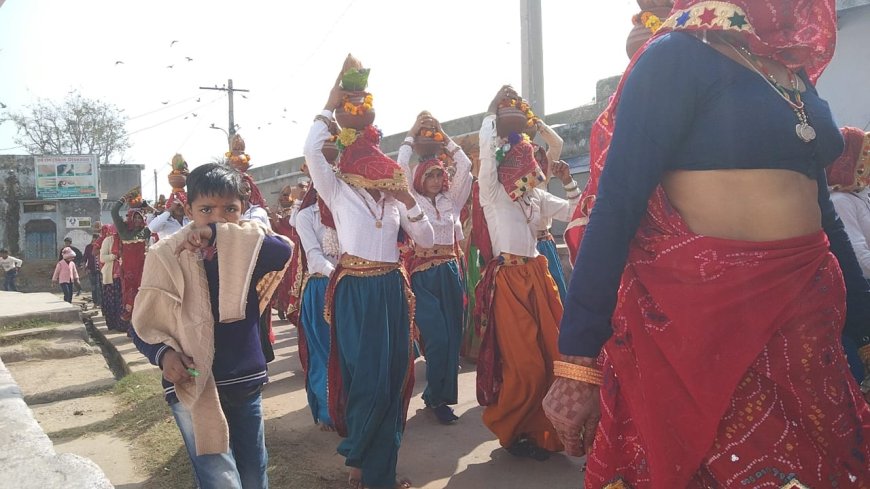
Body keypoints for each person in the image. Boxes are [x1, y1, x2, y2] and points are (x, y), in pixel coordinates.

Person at [545, 2, 870, 487]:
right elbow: (616, 208)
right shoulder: (676, 56)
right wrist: (578, 361)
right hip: (713, 333)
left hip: (810, 332)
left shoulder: (790, 73)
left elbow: (822, 210)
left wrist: (864, 325)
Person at [303, 59, 435, 489]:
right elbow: (311, 151)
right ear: (353, 171)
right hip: (356, 290)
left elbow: (427, 237)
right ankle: (364, 464)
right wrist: (329, 103)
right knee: (365, 381)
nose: (377, 179)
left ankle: (376, 470)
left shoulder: (394, 199)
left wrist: (407, 199)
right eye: (371, 173)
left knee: (395, 377)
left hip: (392, 288)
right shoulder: (337, 189)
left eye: (382, 173)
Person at [131, 162, 292, 489]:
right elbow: (141, 323)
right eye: (206, 209)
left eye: (229, 209)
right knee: (220, 478)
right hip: (191, 383)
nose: (218, 216)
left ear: (243, 210)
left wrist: (221, 234)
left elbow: (283, 251)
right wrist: (163, 355)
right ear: (188, 209)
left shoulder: (250, 247)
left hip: (243, 379)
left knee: (252, 473)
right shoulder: (165, 255)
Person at [474, 86, 580, 461]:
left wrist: (568, 180)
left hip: (538, 273)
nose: (534, 169)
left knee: (553, 355)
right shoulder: (493, 193)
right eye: (526, 163)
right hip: (509, 281)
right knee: (526, 365)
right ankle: (511, 428)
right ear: (510, 167)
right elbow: (486, 155)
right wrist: (493, 114)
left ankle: (542, 433)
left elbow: (575, 209)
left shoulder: (537, 197)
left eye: (533, 165)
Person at [397, 112, 472, 424]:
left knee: (452, 338)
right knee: (438, 338)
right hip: (423, 275)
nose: (437, 181)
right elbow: (399, 168)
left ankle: (438, 398)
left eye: (440, 176)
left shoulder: (451, 201)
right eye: (430, 176)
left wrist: (444, 134)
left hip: (451, 272)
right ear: (419, 179)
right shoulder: (411, 198)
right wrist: (411, 137)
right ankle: (434, 395)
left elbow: (466, 165)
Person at [290, 183, 339, 431]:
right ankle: (327, 411)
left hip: (351, 285)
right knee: (323, 353)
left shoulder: (348, 209)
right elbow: (315, 257)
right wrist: (342, 275)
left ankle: (348, 409)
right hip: (322, 287)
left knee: (347, 352)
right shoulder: (306, 216)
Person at [531, 122, 568, 302]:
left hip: (545, 242)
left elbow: (557, 144)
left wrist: (539, 125)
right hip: (524, 248)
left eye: (537, 157)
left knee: (556, 294)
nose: (534, 162)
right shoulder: (508, 178)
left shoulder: (542, 174)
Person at [111, 197, 151, 325]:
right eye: (135, 217)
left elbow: (158, 216)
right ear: (131, 218)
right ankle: (132, 325)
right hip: (128, 269)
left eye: (140, 217)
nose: (138, 220)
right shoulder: (123, 229)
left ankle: (140, 324)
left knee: (142, 293)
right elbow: (113, 211)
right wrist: (122, 199)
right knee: (129, 294)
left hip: (142, 267)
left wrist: (147, 206)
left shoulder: (145, 231)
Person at [97, 224, 124, 331]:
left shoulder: (127, 240)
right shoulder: (108, 241)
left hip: (124, 276)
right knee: (112, 302)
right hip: (111, 277)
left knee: (123, 302)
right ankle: (113, 325)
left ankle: (123, 326)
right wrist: (114, 256)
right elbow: (102, 258)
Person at [82, 233, 102, 306]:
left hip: (100, 270)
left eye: (98, 238)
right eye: (95, 238)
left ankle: (100, 303)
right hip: (91, 270)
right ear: (93, 238)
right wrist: (84, 268)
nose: (96, 240)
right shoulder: (88, 247)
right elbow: (85, 258)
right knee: (93, 287)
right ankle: (95, 303)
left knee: (99, 287)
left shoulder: (101, 247)